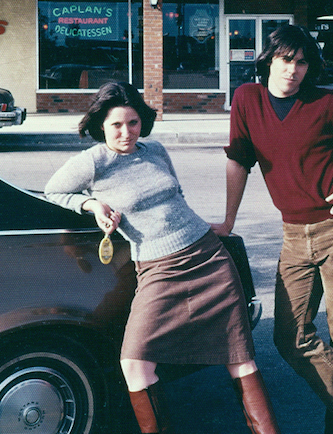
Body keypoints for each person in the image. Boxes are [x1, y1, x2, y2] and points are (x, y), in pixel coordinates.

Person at [45, 81, 281, 434]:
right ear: (100, 126)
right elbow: (53, 191)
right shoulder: (92, 162)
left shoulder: (155, 150)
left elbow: (176, 196)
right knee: (134, 362)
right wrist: (90, 203)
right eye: (117, 125)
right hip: (157, 269)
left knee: (239, 356)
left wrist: (211, 226)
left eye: (134, 123)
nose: (126, 133)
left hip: (207, 258)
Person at [211, 25, 333, 434]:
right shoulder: (248, 99)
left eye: (301, 62)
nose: (293, 70)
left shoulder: (328, 104)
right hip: (294, 234)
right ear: (269, 61)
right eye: (285, 60)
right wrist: (228, 221)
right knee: (290, 336)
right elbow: (239, 161)